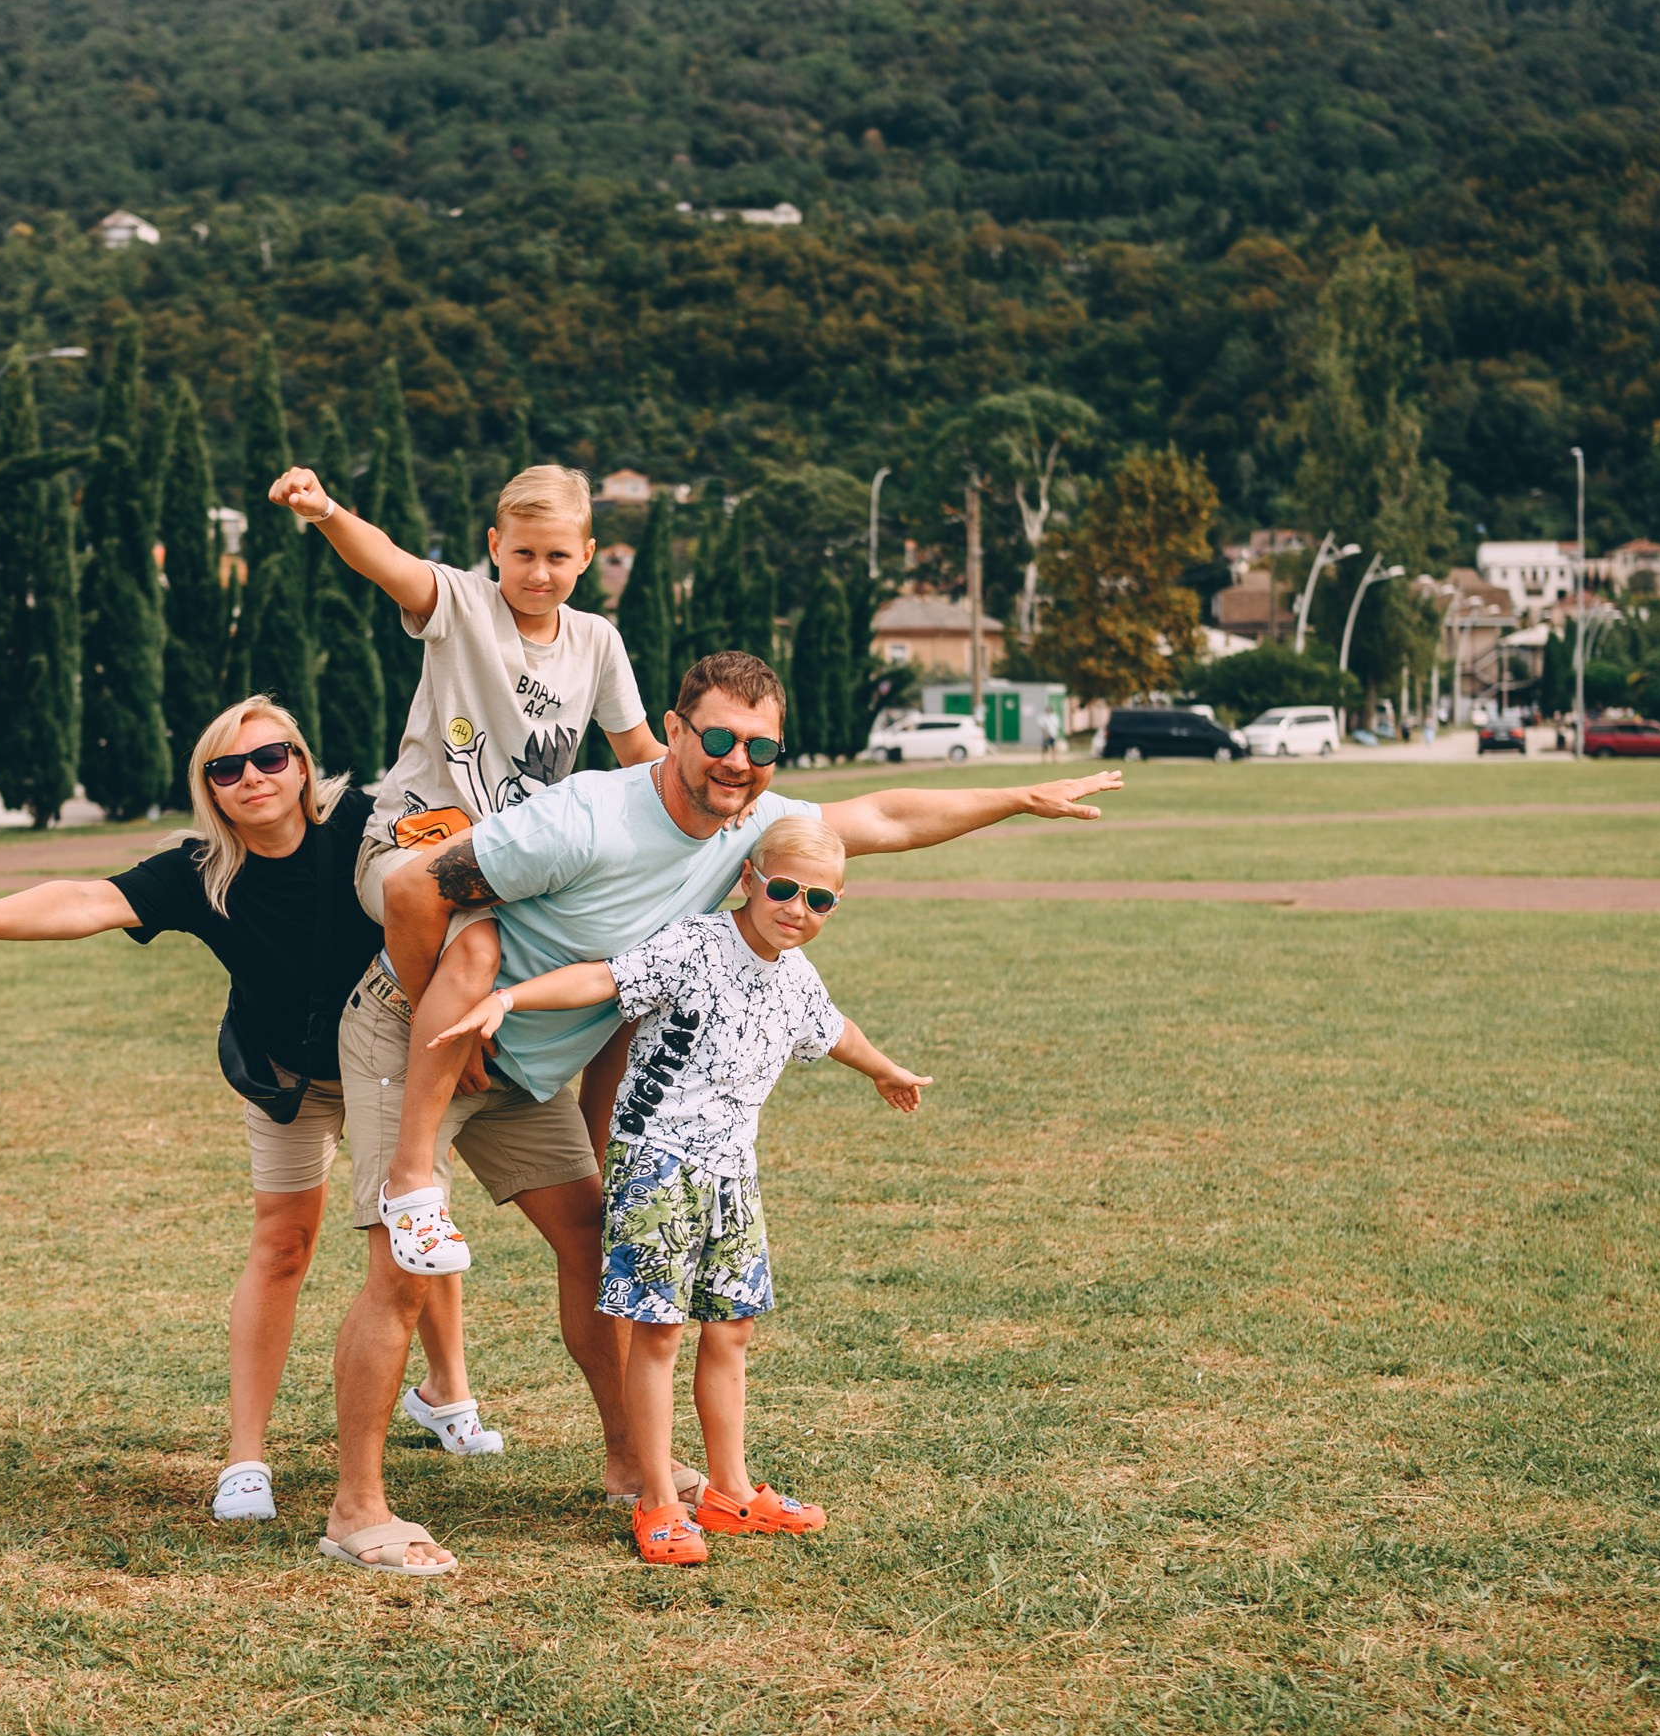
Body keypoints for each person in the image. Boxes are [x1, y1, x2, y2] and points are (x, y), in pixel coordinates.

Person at [319, 649, 1119, 1568]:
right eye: (719, 739)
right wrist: (445, 1022)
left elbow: (892, 813)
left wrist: (1016, 797)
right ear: (673, 729)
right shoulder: (588, 815)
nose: (738, 760)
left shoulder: (758, 826)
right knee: (405, 1267)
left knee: (596, 1245)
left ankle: (633, 1468)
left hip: (525, 1065)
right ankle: (357, 1509)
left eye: (762, 745)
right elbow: (415, 887)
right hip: (417, 1030)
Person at [0, 695, 455, 1574]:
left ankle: (451, 1393)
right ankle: (246, 1455)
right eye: (226, 767)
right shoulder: (200, 869)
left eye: (270, 757)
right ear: (208, 785)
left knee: (410, 1226)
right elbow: (86, 899)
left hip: (383, 1064)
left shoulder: (359, 827)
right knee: (283, 1244)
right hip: (283, 1076)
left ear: (304, 764)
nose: (251, 777)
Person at [429, 815, 927, 1565]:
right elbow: (604, 977)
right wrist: (512, 998)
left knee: (731, 1330)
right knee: (657, 1333)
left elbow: (832, 1028)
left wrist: (884, 1067)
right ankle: (659, 1500)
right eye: (784, 889)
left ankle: (729, 1489)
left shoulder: (795, 975)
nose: (796, 909)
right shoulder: (695, 944)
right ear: (749, 880)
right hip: (656, 1164)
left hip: (733, 1173)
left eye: (818, 900)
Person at [270, 457, 663, 1285]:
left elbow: (641, 757)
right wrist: (326, 509)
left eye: (558, 557)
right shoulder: (463, 605)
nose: (539, 572)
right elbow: (388, 562)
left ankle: (599, 1153)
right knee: (477, 946)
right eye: (522, 554)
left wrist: (719, 804)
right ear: (494, 547)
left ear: (586, 556)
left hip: (509, 869)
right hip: (409, 851)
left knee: (633, 954)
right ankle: (439, 1067)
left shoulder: (597, 641)